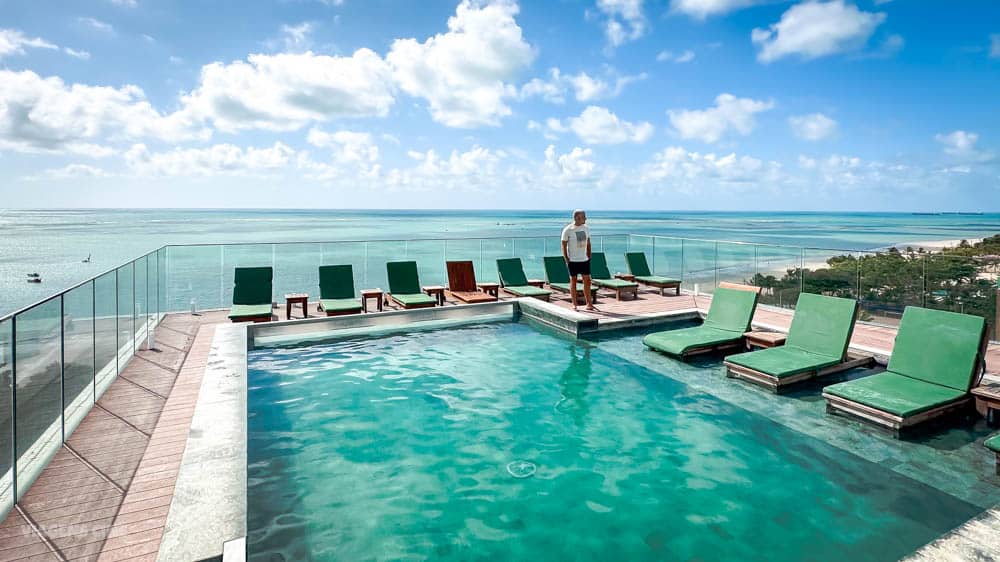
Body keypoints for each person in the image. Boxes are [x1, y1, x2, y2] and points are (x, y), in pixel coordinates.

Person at [561, 209, 596, 311]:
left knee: (587, 281)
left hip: (584, 260)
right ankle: (574, 304)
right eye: (584, 216)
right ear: (577, 218)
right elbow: (563, 245)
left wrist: (589, 253)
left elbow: (588, 242)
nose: (586, 218)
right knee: (573, 281)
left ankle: (589, 304)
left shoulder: (586, 228)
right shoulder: (568, 229)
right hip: (573, 261)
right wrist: (566, 259)